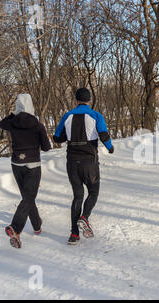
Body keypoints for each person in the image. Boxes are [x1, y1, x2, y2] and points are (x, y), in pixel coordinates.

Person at [53, 88, 114, 245]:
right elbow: (104, 134)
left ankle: (74, 235)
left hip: (72, 162)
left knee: (77, 196)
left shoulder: (67, 116)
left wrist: (69, 134)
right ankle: (84, 217)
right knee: (93, 192)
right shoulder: (95, 115)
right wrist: (110, 147)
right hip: (89, 162)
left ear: (76, 100)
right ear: (89, 100)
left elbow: (57, 138)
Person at [0, 94, 52, 249]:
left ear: (17, 106)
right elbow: (47, 147)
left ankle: (36, 225)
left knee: (27, 196)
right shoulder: (37, 124)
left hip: (17, 163)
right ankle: (15, 227)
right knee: (29, 197)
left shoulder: (12, 123)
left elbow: (1, 123)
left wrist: (14, 114)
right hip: (33, 164)